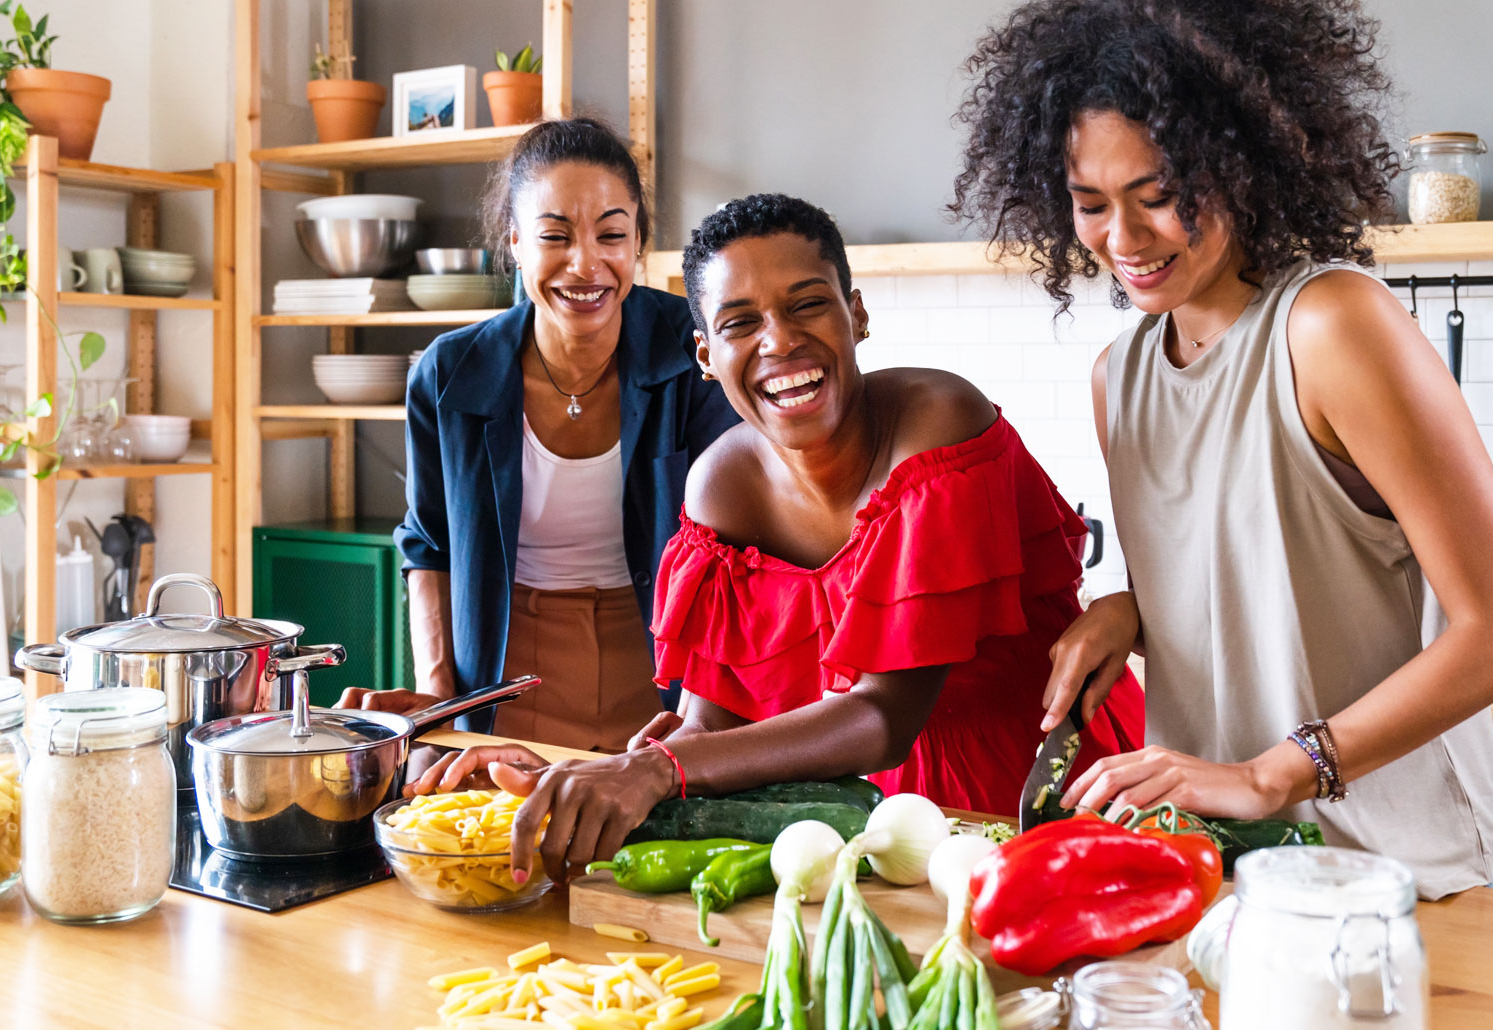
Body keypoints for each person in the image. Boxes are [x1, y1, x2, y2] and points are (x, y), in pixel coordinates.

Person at [949, 0, 1493, 897]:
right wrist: (1132, 611)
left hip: (1401, 876)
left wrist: (1268, 776)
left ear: (1243, 162)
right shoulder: (1123, 374)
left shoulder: (1332, 326)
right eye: (1091, 203)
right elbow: (1262, 582)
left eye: (1160, 195)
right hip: (1223, 869)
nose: (1125, 237)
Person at [418, 194, 1143, 880]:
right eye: (738, 323)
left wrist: (658, 770)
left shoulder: (938, 424)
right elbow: (710, 720)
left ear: (855, 315)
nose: (780, 340)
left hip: (1038, 787)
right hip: (842, 812)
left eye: (807, 305)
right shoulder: (719, 488)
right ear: (704, 356)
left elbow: (884, 717)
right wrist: (567, 779)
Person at [350, 118, 740, 752]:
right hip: (510, 678)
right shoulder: (449, 375)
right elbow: (429, 547)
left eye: (611, 234)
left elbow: (735, 547)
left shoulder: (693, 352)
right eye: (555, 236)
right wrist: (440, 702)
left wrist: (709, 715)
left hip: (669, 675)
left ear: (637, 240)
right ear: (515, 244)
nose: (585, 264)